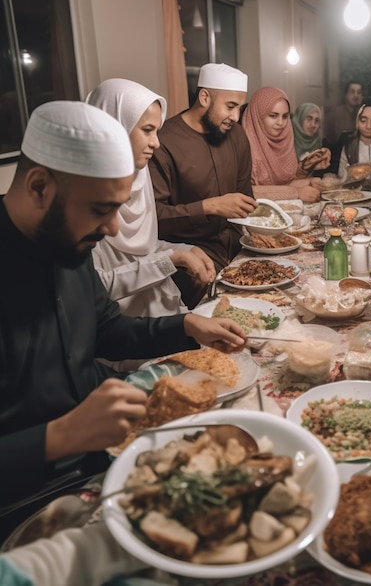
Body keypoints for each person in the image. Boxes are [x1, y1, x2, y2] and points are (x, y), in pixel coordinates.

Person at [0, 101, 247, 532]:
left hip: (106, 464)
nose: (114, 229)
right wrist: (59, 436)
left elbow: (106, 329)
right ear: (39, 187)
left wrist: (186, 327)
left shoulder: (66, 241)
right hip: (26, 503)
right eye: (100, 209)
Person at [87, 78, 215, 317]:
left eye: (157, 131)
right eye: (147, 130)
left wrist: (187, 251)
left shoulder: (139, 175)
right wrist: (170, 259)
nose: (156, 143)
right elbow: (96, 286)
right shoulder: (85, 194)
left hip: (162, 311)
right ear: (115, 127)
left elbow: (144, 248)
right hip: (124, 330)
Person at [149, 63, 256, 272]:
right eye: (230, 106)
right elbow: (155, 218)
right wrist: (208, 207)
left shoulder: (237, 135)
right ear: (205, 98)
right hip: (190, 257)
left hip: (238, 248)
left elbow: (246, 197)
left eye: (239, 109)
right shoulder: (164, 142)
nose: (235, 117)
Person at [242, 87, 322, 202]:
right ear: (258, 116)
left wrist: (306, 182)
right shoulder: (241, 143)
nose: (281, 123)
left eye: (285, 116)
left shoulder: (284, 140)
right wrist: (296, 193)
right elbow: (245, 191)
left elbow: (280, 184)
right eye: (273, 116)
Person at [291, 102, 332, 178]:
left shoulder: (322, 145)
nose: (313, 125)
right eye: (309, 119)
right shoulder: (287, 143)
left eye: (317, 120)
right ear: (300, 119)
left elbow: (324, 173)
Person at [323, 80, 363, 146]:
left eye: (359, 92)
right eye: (352, 92)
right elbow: (329, 138)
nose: (356, 95)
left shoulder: (363, 113)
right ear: (346, 95)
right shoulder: (335, 112)